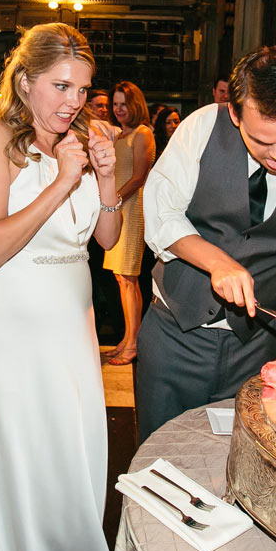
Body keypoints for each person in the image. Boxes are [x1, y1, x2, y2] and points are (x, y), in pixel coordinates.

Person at [0, 22, 120, 551]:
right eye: (61, 86)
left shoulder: (84, 136)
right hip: (13, 321)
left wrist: (104, 180)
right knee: (21, 460)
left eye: (82, 89)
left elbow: (104, 238)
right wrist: (62, 180)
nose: (73, 102)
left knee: (70, 456)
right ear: (25, 82)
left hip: (71, 322)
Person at [136, 45, 276, 442]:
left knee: (237, 470)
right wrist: (218, 262)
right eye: (260, 140)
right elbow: (161, 215)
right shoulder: (202, 128)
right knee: (159, 460)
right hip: (173, 339)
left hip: (257, 348)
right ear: (235, 114)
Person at [104, 81, 156, 366]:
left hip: (132, 208)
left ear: (135, 104)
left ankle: (133, 343)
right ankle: (127, 337)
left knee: (128, 278)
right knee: (121, 278)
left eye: (124, 104)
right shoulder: (119, 134)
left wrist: (113, 201)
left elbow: (138, 177)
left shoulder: (143, 133)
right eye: (115, 104)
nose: (118, 109)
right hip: (118, 206)